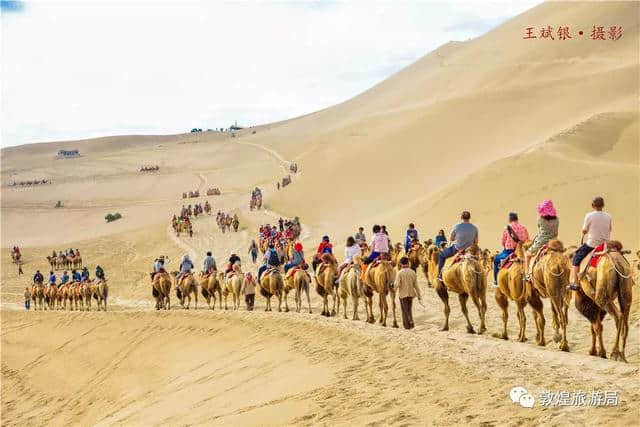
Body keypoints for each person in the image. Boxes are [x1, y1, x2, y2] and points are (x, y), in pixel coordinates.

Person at [568, 196, 611, 290]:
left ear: (592, 205)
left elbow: (584, 230)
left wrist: (585, 232)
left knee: (576, 259)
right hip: (605, 245)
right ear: (603, 205)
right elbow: (610, 229)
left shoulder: (589, 215)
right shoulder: (608, 216)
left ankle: (575, 283)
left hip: (592, 244)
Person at [438, 211, 478, 281]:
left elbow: (451, 238)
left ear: (461, 217)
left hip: (457, 249)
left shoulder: (457, 226)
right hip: (469, 251)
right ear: (469, 218)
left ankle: (440, 276)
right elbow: (476, 242)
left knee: (442, 255)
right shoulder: (474, 228)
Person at [524, 200, 559, 278]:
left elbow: (540, 230)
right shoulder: (556, 219)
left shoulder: (540, 219)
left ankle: (527, 276)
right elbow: (556, 233)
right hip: (554, 243)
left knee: (527, 255)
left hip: (541, 243)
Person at [493, 212, 529, 286]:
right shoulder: (523, 227)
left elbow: (503, 242)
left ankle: (496, 282)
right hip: (522, 251)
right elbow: (527, 240)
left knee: (496, 260)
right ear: (517, 219)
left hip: (509, 251)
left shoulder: (507, 228)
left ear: (509, 219)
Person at [395, 257, 422, 329]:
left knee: (404, 310)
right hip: (411, 293)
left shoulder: (399, 273)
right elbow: (416, 285)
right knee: (409, 308)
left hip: (403, 294)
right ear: (408, 263)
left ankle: (408, 324)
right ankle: (410, 322)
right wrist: (419, 295)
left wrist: (393, 287)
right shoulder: (412, 272)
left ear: (401, 264)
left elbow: (397, 284)